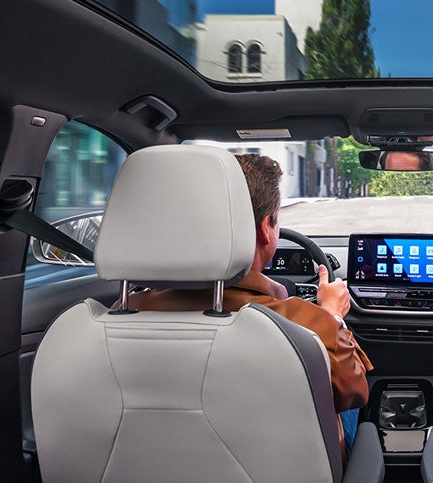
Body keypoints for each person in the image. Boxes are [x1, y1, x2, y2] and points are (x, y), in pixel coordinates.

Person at [126, 153, 373, 458]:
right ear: (266, 228)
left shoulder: (114, 316)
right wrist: (332, 316)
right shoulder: (307, 327)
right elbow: (355, 391)